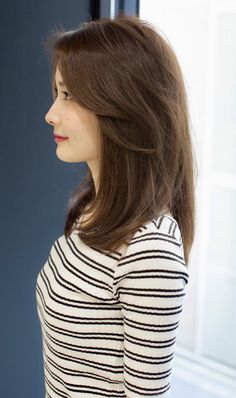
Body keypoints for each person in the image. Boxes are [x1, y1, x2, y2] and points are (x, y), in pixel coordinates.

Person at [36, 14, 197, 398]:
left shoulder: (150, 249)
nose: (50, 114)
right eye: (58, 93)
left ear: (122, 105)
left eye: (69, 95)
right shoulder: (91, 207)